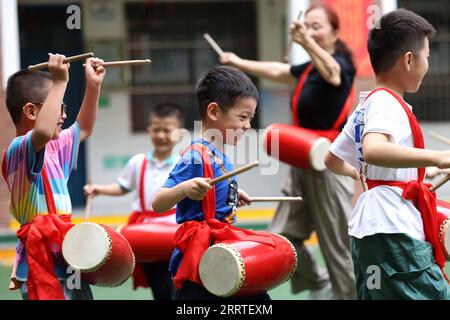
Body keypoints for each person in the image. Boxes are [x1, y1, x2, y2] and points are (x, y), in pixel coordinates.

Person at [220, 4, 356, 299]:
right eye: (306, 25)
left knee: (338, 247)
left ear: (335, 32)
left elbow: (332, 74)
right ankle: (319, 282)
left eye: (317, 26)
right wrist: (238, 62)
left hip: (329, 162)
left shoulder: (343, 63)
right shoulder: (307, 69)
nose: (310, 31)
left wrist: (304, 40)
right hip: (301, 160)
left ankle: (349, 296)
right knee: (282, 235)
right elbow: (278, 70)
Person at [325, 9, 450, 299]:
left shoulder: (366, 104)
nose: (427, 64)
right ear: (409, 59)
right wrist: (438, 157)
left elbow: (331, 159)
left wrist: (376, 174)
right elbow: (373, 150)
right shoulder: (386, 103)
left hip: (370, 227)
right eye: (427, 56)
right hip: (393, 227)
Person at [152, 65, 273, 300]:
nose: (248, 125)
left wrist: (233, 192)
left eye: (251, 118)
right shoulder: (195, 156)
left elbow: (214, 188)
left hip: (221, 255)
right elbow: (158, 203)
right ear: (214, 111)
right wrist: (184, 188)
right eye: (243, 117)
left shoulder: (221, 155)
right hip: (199, 261)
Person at [1, 54, 105, 300]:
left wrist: (93, 85)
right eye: (59, 106)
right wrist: (59, 81)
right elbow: (44, 130)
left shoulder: (55, 149)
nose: (64, 115)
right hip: (41, 263)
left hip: (68, 256)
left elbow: (85, 128)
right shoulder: (17, 151)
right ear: (31, 111)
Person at [83, 103, 184, 300]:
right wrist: (99, 189)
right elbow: (123, 186)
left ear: (179, 133)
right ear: (149, 130)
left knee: (176, 285)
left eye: (167, 130)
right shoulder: (138, 162)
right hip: (145, 235)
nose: (161, 135)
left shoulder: (185, 162)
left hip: (175, 233)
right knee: (159, 287)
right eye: (156, 129)